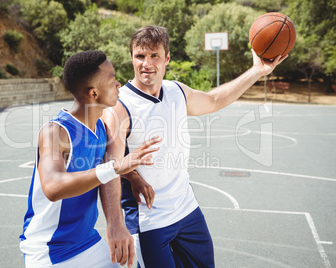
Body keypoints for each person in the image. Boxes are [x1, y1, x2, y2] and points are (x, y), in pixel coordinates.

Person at [100, 26, 288, 267]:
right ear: (131, 58)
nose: (146, 64)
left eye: (154, 55)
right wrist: (115, 222)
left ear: (167, 58)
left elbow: (215, 100)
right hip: (149, 219)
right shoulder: (120, 106)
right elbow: (109, 166)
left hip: (186, 209)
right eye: (140, 56)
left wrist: (257, 71)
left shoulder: (176, 91)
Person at [19, 50, 161, 268]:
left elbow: (100, 165)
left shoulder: (100, 128)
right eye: (112, 80)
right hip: (51, 250)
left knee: (134, 263)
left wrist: (132, 177)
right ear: (94, 93)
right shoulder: (56, 132)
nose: (119, 84)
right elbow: (53, 187)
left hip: (85, 241)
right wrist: (116, 167)